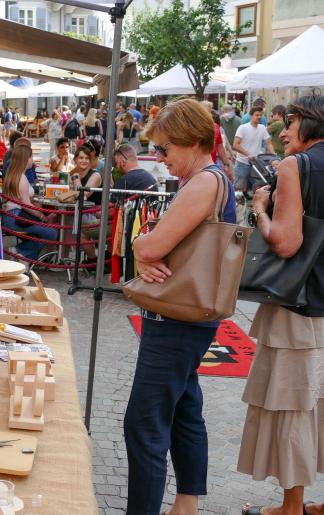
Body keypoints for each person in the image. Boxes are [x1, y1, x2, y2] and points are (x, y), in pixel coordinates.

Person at [124, 99, 237, 515]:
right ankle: (187, 502)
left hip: (177, 318)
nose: (161, 158)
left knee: (144, 423)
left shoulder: (205, 181)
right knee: (186, 407)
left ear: (192, 142)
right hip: (190, 315)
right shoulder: (213, 178)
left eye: (166, 148)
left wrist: (139, 246)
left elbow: (152, 244)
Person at [237, 95, 324, 515]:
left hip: (302, 306)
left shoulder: (297, 166)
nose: (282, 131)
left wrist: (259, 211)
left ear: (311, 123)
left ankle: (292, 506)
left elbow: (287, 243)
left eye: (289, 122)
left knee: (295, 403)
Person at [0, 145, 57, 261]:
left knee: (42, 234)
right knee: (51, 233)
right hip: (17, 217)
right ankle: (21, 252)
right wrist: (42, 216)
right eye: (31, 157)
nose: (33, 160)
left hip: (12, 216)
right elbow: (26, 205)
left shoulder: (14, 175)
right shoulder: (22, 178)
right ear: (25, 159)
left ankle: (24, 256)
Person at [70, 145, 103, 261]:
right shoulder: (74, 174)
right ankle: (56, 256)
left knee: (78, 227)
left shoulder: (95, 175)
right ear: (75, 160)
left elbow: (82, 195)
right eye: (81, 158)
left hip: (93, 213)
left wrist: (75, 178)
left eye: (87, 158)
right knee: (53, 218)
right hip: (79, 211)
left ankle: (92, 260)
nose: (84, 161)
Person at [233, 106, 274, 194]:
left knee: (257, 186)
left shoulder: (262, 128)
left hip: (256, 163)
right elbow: (235, 145)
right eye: (257, 115)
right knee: (238, 187)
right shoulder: (242, 128)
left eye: (261, 115)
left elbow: (268, 143)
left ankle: (254, 204)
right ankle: (237, 205)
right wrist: (248, 154)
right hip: (242, 162)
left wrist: (274, 155)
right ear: (251, 116)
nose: (259, 117)